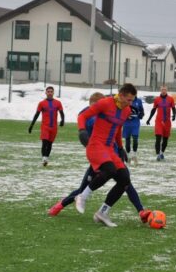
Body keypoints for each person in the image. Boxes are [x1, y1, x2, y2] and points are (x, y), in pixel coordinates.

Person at [48, 92, 151, 223]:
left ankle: (141, 211)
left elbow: (117, 129)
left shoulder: (112, 112)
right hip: (99, 158)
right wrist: (84, 135)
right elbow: (82, 120)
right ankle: (59, 206)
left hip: (112, 155)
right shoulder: (88, 115)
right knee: (83, 189)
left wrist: (120, 148)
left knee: (126, 182)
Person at [74, 83, 137, 227]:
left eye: (132, 100)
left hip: (109, 149)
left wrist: (120, 148)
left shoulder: (126, 110)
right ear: (121, 95)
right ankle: (82, 196)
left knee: (124, 179)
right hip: (95, 145)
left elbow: (118, 128)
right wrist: (82, 131)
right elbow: (83, 116)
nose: (131, 103)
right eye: (129, 99)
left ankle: (102, 212)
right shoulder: (104, 103)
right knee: (109, 170)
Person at [28, 86, 65, 166]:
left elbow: (62, 113)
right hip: (45, 127)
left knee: (50, 144)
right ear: (46, 93)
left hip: (54, 127)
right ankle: (44, 158)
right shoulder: (41, 103)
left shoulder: (58, 103)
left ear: (53, 93)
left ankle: (46, 158)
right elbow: (36, 115)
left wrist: (62, 120)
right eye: (48, 91)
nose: (50, 93)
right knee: (44, 142)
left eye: (51, 91)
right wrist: (31, 125)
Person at [146, 85, 176, 161]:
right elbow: (153, 110)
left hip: (167, 122)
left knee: (165, 140)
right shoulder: (157, 99)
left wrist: (174, 115)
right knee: (158, 138)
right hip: (159, 121)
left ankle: (162, 152)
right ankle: (158, 154)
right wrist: (149, 119)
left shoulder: (170, 99)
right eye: (162, 89)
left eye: (165, 89)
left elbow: (173, 108)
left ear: (167, 90)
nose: (163, 91)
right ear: (160, 90)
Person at [123, 94, 145, 165]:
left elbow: (141, 111)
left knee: (135, 139)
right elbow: (121, 110)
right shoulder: (125, 100)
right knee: (127, 140)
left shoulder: (138, 101)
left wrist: (141, 115)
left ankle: (134, 155)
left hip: (135, 123)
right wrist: (126, 116)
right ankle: (128, 156)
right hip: (127, 123)